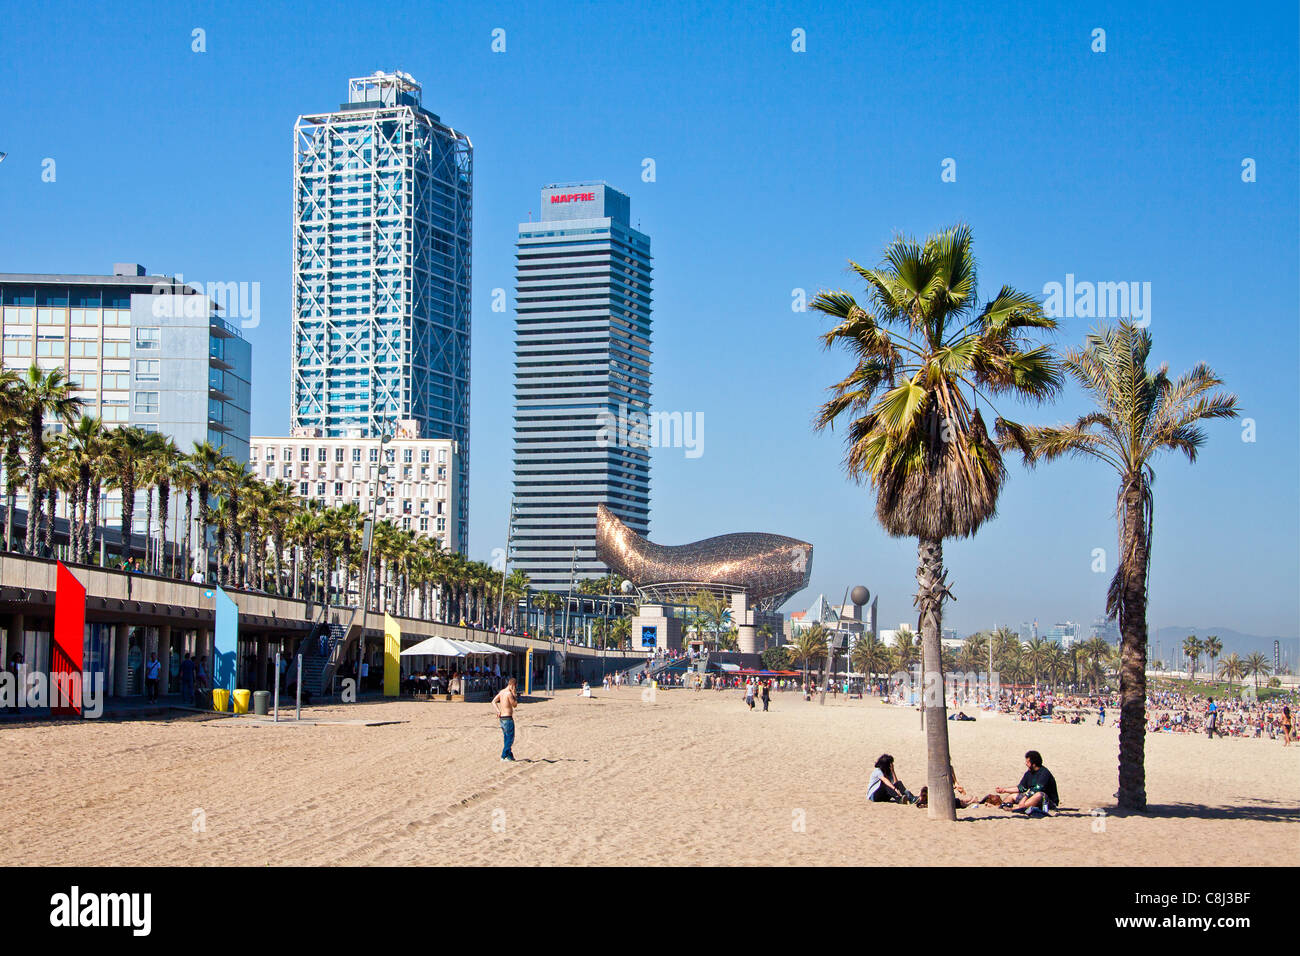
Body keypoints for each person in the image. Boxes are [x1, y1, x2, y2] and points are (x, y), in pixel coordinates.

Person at [995, 750, 1059, 816]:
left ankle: (1017, 808)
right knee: (1012, 796)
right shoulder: (1029, 773)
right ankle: (1003, 806)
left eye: (1028, 762)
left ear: (1034, 764)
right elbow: (1021, 788)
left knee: (1039, 794)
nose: (1026, 764)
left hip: (1046, 801)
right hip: (1030, 797)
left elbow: (1036, 789)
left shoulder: (1044, 773)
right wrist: (1004, 790)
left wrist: (1024, 799)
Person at [492, 677, 519, 762]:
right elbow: (514, 705)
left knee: (506, 737)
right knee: (510, 738)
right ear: (512, 685)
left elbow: (493, 701)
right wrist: (514, 694)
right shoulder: (508, 694)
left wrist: (498, 711)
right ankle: (503, 755)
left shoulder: (502, 692)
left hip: (502, 718)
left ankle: (509, 755)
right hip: (507, 718)